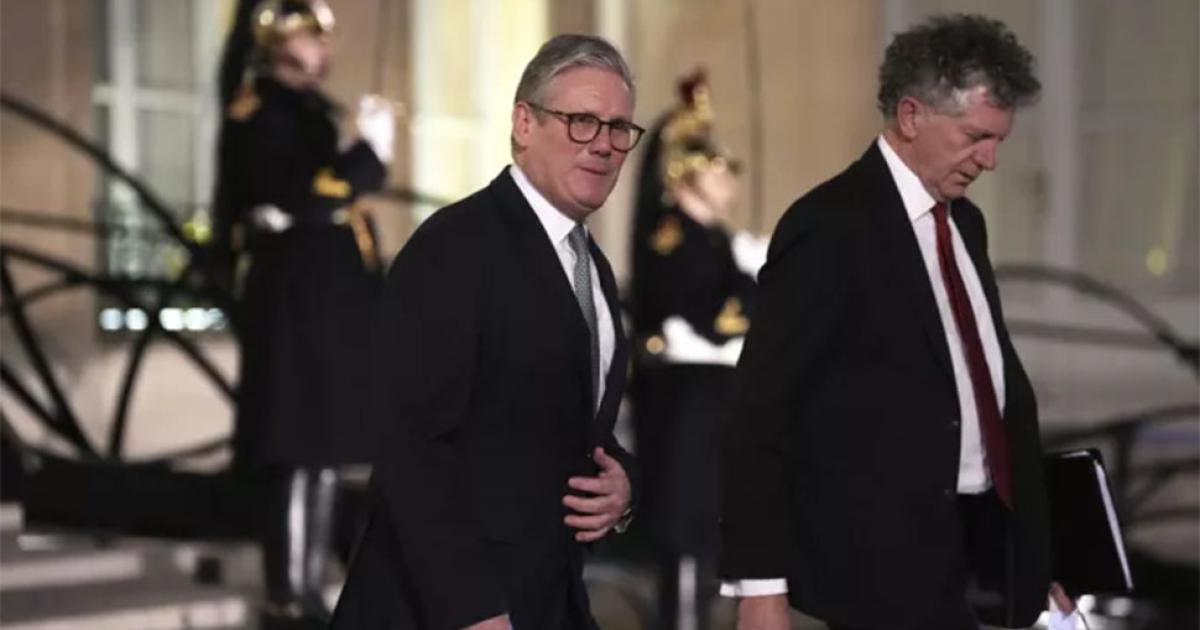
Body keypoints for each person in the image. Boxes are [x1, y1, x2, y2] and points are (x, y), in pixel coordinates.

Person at [720, 14, 1063, 630]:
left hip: (978, 565)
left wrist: (1035, 560)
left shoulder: (966, 224)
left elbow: (990, 392)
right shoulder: (830, 226)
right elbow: (759, 413)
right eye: (975, 137)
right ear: (911, 116)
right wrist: (761, 588)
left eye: (998, 141)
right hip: (875, 578)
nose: (988, 160)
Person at [328, 34, 640, 630]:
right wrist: (473, 610)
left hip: (550, 598)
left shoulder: (591, 268)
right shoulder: (454, 247)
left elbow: (569, 424)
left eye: (619, 128)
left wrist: (622, 486)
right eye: (581, 121)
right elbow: (412, 448)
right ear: (523, 123)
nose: (603, 143)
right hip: (444, 610)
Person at [213, 1, 395, 626]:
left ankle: (311, 584)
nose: (324, 52)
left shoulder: (309, 111)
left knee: (323, 451)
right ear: (282, 46)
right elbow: (301, 194)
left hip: (324, 304)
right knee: (296, 448)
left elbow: (329, 195)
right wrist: (365, 156)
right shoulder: (260, 110)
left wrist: (363, 156)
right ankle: (289, 591)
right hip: (293, 301)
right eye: (313, 40)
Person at [629, 71, 766, 630]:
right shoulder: (673, 235)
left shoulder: (716, 240)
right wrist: (752, 282)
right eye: (717, 167)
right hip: (685, 397)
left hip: (718, 394)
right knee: (685, 530)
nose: (729, 179)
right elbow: (713, 322)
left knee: (716, 529)